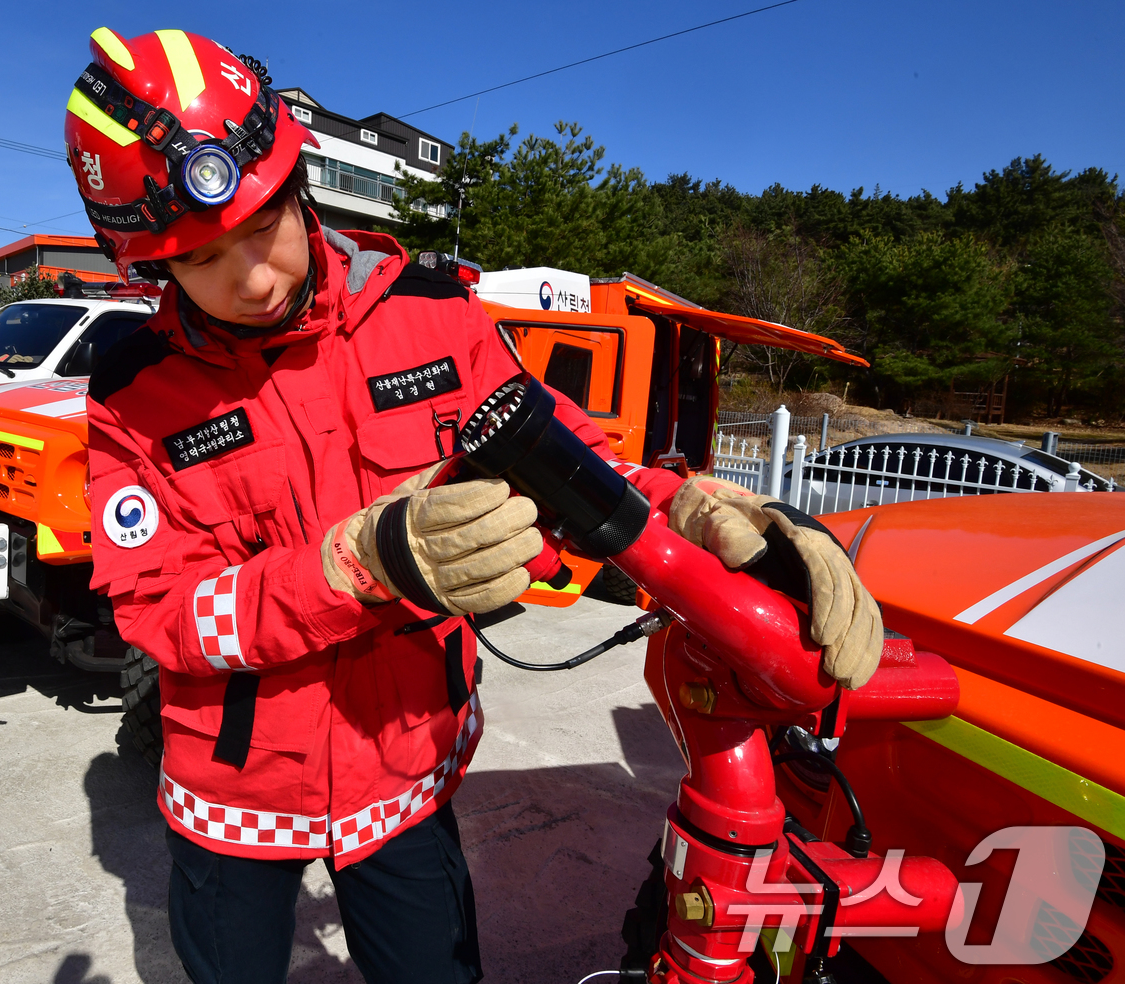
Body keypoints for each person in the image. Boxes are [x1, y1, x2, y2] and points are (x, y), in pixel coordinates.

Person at [70, 28, 882, 984]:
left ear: (299, 183)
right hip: (236, 801)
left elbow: (569, 458)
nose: (252, 278)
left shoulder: (434, 316)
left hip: (405, 776)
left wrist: (695, 510)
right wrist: (355, 567)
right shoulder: (134, 396)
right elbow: (162, 614)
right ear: (152, 267)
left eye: (261, 227)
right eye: (204, 259)